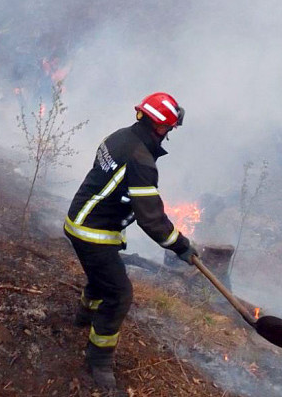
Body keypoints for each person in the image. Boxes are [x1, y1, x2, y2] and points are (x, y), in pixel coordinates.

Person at [64, 92, 199, 389]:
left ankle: (83, 316)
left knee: (102, 276)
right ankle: (97, 360)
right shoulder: (141, 161)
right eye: (171, 128)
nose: (169, 134)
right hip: (93, 232)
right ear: (161, 127)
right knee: (120, 294)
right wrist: (182, 246)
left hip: (81, 219)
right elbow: (151, 219)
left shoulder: (120, 137)